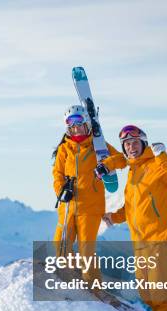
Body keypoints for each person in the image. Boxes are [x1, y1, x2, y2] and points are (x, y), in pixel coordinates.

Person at [100, 124, 167, 311]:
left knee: (161, 295)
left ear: (144, 143)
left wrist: (162, 155)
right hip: (140, 242)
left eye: (134, 142)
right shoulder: (133, 172)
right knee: (148, 294)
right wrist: (114, 216)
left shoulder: (157, 164)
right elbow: (132, 207)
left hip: (160, 238)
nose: (131, 147)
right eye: (127, 144)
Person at [52, 104, 125, 286]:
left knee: (87, 251)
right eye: (72, 126)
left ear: (87, 124)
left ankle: (93, 287)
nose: (76, 129)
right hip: (67, 206)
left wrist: (106, 165)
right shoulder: (64, 149)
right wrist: (61, 191)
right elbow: (57, 174)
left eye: (79, 124)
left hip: (90, 208)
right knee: (60, 246)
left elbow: (122, 159)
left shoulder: (98, 146)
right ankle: (72, 278)